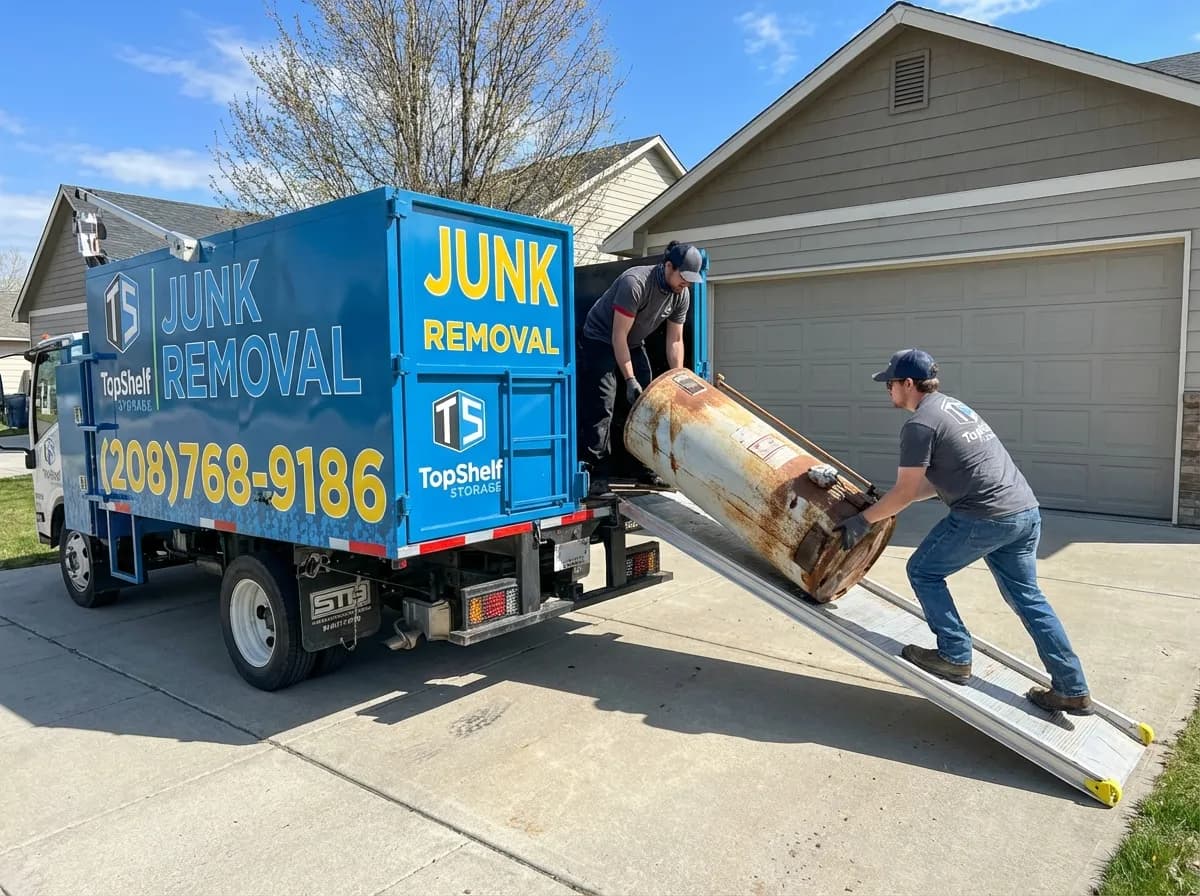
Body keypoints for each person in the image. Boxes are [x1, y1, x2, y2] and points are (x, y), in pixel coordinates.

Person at [835, 349, 1093, 716]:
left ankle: (954, 655)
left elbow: (905, 492)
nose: (887, 390)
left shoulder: (920, 424)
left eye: (889, 383)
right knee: (1029, 598)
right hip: (1024, 512)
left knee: (923, 570)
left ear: (907, 384)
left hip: (985, 516)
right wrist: (885, 503)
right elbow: (934, 484)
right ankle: (1072, 688)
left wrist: (864, 520)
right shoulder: (954, 407)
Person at [577, 240, 704, 495]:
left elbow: (675, 340)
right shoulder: (634, 283)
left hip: (633, 342)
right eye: (684, 277)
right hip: (600, 338)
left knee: (647, 402)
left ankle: (644, 470)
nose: (687, 283)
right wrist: (629, 379)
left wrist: (677, 379)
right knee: (604, 403)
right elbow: (617, 337)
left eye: (691, 280)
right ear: (669, 266)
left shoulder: (682, 294)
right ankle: (597, 474)